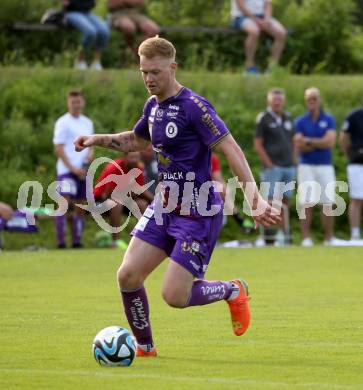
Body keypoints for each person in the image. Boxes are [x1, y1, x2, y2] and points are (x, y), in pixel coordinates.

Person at [74, 36, 280, 357]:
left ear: (173, 67)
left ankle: (231, 290)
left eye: (155, 72)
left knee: (175, 296)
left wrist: (254, 198)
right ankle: (144, 349)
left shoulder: (194, 107)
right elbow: (134, 141)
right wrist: (95, 139)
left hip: (197, 211)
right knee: (128, 275)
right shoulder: (153, 106)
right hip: (164, 205)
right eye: (143, 72)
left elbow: (231, 148)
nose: (148, 79)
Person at [294, 87, 339, 246]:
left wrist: (308, 141)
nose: (312, 102)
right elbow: (299, 145)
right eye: (309, 99)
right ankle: (306, 238)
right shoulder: (300, 121)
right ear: (306, 101)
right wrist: (318, 142)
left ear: (319, 100)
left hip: (325, 165)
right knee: (307, 202)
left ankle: (329, 238)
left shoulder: (329, 119)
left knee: (328, 201)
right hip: (306, 165)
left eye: (314, 98)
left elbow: (330, 142)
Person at [254, 88, 296, 245]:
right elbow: (258, 144)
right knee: (271, 202)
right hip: (273, 168)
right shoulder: (263, 118)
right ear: (269, 101)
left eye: (280, 99)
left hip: (288, 167)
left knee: (285, 202)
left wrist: (294, 161)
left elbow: (293, 141)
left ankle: (282, 236)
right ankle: (267, 237)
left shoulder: (288, 118)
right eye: (275, 99)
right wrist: (269, 164)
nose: (277, 102)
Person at [54, 90, 94, 249]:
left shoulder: (87, 122)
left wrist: (90, 156)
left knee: (81, 206)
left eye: (78, 101)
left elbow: (91, 145)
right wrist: (72, 167)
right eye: (73, 102)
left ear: (82, 103)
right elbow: (59, 148)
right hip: (66, 170)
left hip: (83, 171)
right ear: (68, 103)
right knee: (63, 204)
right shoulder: (63, 122)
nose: (76, 104)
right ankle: (61, 242)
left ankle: (77, 241)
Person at [94, 152, 154, 246]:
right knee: (116, 203)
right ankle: (115, 241)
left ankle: (144, 239)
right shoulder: (114, 167)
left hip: (123, 199)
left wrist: (155, 201)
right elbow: (109, 194)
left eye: (137, 157)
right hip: (100, 200)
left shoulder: (138, 168)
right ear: (125, 157)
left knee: (142, 204)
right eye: (132, 157)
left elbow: (139, 191)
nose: (135, 160)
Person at [230, 0, 287, 74]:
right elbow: (241, 6)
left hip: (262, 17)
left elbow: (268, 5)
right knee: (254, 31)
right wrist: (256, 20)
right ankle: (249, 67)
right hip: (241, 16)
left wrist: (267, 20)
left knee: (281, 33)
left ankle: (272, 68)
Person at [62, 0, 110, 70]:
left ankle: (96, 62)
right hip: (71, 13)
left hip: (87, 13)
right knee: (91, 32)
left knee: (104, 31)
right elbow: (65, 4)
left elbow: (93, 3)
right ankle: (79, 60)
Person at [340, 102, 363, 241]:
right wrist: (348, 154)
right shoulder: (355, 116)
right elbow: (343, 137)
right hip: (357, 163)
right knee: (357, 198)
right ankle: (355, 234)